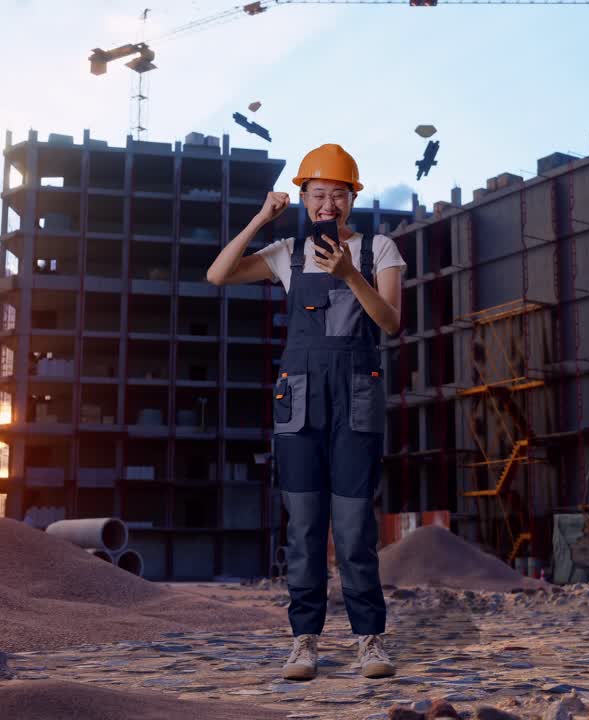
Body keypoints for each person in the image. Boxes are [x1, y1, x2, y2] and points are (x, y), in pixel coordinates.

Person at [206, 144, 405, 681]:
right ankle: (305, 642)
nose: (327, 202)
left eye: (338, 194)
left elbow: (389, 322)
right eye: (317, 193)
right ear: (302, 199)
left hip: (356, 397)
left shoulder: (377, 249)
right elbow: (219, 275)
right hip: (299, 400)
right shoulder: (285, 253)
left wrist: (348, 273)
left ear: (351, 200)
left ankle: (369, 640)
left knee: (355, 526)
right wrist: (259, 219)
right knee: (305, 528)